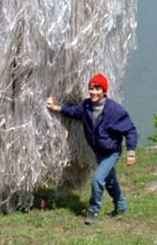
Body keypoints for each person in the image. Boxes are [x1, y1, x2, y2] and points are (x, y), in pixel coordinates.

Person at [46, 73, 138, 225]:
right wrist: (57, 108)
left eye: (97, 88)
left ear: (104, 91)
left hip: (112, 151)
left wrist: (131, 152)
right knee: (110, 180)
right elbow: (75, 112)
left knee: (97, 179)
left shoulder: (115, 111)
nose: (94, 92)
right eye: (91, 88)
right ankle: (121, 206)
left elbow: (130, 130)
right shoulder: (87, 106)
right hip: (98, 151)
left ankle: (93, 211)